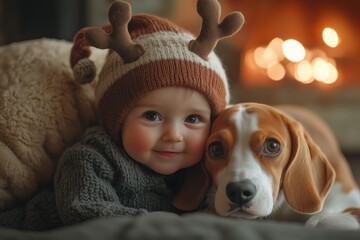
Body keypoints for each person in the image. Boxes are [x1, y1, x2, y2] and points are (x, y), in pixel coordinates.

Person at [0, 0, 243, 229]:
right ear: (117, 119)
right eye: (152, 116)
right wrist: (169, 226)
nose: (173, 135)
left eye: (192, 119)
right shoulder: (92, 159)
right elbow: (84, 210)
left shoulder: (198, 167)